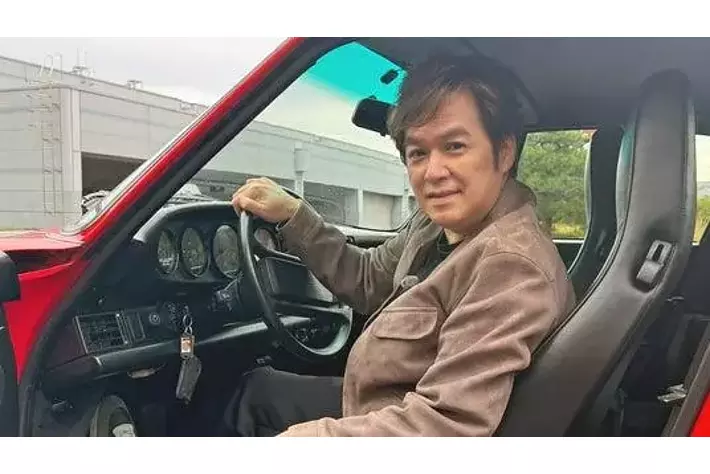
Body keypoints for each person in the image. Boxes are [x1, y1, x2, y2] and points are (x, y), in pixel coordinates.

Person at [227, 54, 577, 437]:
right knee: (258, 390)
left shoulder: (510, 266)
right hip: (382, 403)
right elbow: (369, 279)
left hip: (408, 421)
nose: (433, 172)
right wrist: (295, 216)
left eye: (455, 146)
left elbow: (444, 426)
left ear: (504, 152)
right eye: (418, 153)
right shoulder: (437, 224)